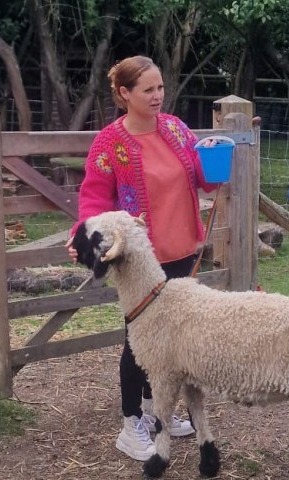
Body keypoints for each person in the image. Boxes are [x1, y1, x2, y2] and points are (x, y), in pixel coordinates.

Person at [66, 55, 219, 461]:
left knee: (171, 340)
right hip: (141, 260)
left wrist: (218, 162)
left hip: (183, 247)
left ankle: (157, 412)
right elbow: (94, 197)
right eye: (148, 89)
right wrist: (84, 235)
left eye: (160, 87)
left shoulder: (175, 129)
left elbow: (203, 179)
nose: (157, 96)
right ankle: (131, 422)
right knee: (140, 342)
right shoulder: (108, 144)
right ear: (123, 94)